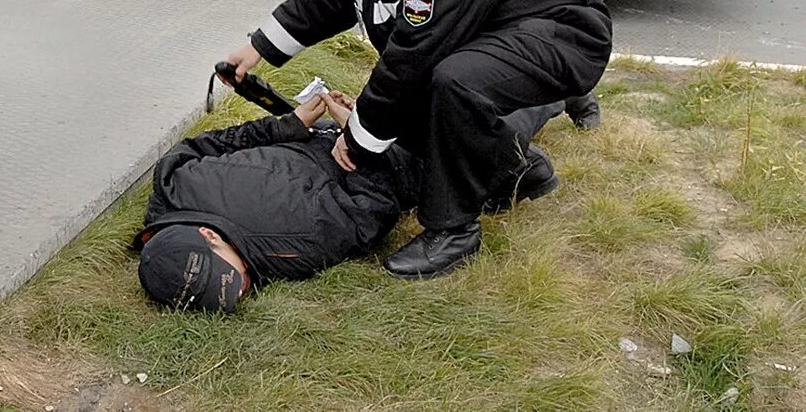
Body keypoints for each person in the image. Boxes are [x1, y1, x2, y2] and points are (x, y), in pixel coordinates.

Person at [223, 0, 612, 279]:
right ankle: (517, 170)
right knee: (423, 97)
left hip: (566, 33)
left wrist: (357, 139)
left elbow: (410, 60)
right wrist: (258, 46)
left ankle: (454, 231)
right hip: (501, 25)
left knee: (451, 82)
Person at [134, 90, 564, 312]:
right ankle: (556, 99)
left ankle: (556, 91)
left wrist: (288, 125)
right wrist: (361, 139)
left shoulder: (172, 185)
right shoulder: (290, 252)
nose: (243, 286)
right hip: (376, 160)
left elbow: (211, 143)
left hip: (331, 139)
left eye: (232, 279)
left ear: (207, 235)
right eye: (232, 294)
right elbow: (373, 207)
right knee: (469, 129)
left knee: (442, 89)